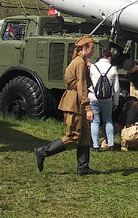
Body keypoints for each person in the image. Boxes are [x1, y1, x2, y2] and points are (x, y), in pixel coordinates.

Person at [34, 36, 97, 175]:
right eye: (92, 47)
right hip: (74, 102)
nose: (93, 51)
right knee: (73, 136)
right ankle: (43, 152)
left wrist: (88, 69)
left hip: (76, 100)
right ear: (85, 48)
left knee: (85, 135)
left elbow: (86, 83)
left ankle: (83, 167)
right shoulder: (79, 63)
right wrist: (88, 108)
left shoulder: (81, 62)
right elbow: (82, 86)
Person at [88, 51, 120, 152]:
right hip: (107, 99)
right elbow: (116, 89)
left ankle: (96, 146)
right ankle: (110, 145)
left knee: (95, 122)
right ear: (109, 58)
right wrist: (116, 102)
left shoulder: (93, 67)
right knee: (108, 121)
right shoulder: (113, 69)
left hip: (93, 97)